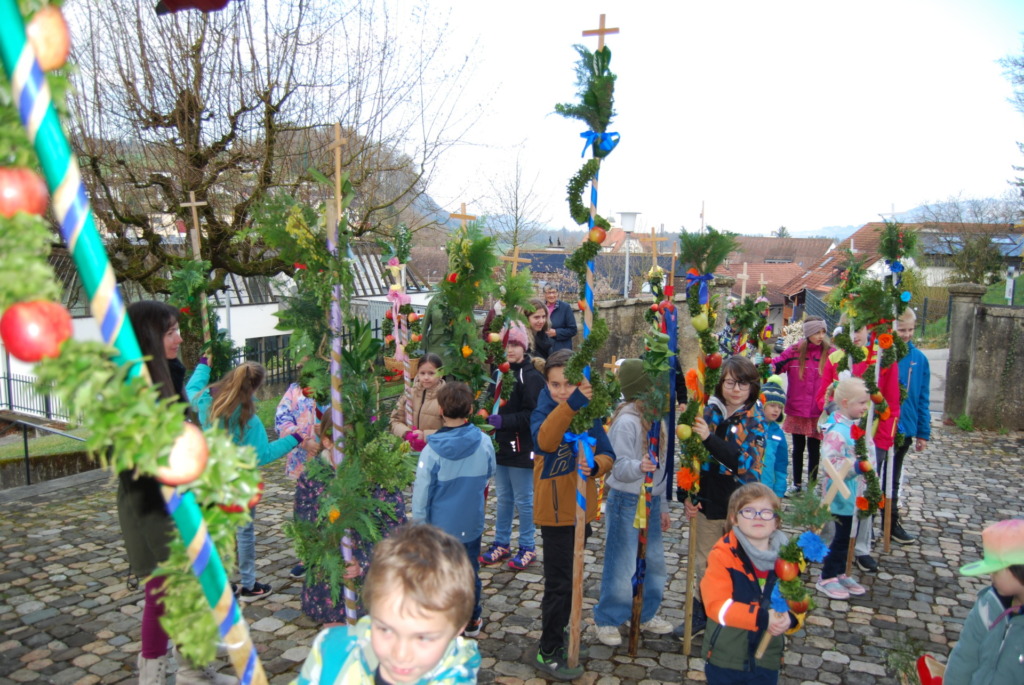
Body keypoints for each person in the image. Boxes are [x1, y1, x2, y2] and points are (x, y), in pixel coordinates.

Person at [122, 301, 236, 684]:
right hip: (152, 504)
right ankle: (152, 676)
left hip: (183, 497)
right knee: (163, 592)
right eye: (170, 332)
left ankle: (192, 670)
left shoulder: (169, 374)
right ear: (149, 338)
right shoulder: (134, 392)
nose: (179, 338)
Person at [292, 523, 482, 685]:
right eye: (385, 629)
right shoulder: (330, 652)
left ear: (458, 628)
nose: (400, 654)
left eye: (423, 638)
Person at [187, 360, 315, 601]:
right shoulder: (249, 420)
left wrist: (203, 366)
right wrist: (295, 438)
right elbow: (262, 455)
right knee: (244, 533)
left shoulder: (208, 404)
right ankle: (249, 585)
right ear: (255, 387)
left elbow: (191, 389)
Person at [530, 348, 616, 680]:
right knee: (560, 584)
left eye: (569, 384)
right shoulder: (544, 409)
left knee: (575, 578)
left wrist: (595, 466)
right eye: (555, 385)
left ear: (581, 382)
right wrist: (570, 405)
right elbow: (545, 441)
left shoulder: (589, 413)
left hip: (581, 511)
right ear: (547, 385)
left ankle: (564, 629)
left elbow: (608, 452)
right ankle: (548, 647)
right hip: (554, 514)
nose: (562, 391)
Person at [673, 355, 766, 640]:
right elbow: (690, 455)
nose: (736, 389)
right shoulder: (708, 411)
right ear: (720, 383)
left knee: (736, 562)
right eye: (730, 383)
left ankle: (734, 615)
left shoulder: (755, 421)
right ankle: (704, 612)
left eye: (742, 383)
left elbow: (744, 463)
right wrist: (687, 494)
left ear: (752, 386)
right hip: (708, 501)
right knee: (704, 562)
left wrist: (709, 439)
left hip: (739, 506)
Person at [592, 359, 674, 647]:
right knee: (622, 562)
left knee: (654, 561)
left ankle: (645, 611)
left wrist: (662, 504)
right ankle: (608, 617)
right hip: (627, 500)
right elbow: (617, 466)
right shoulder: (626, 422)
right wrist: (639, 466)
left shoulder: (656, 420)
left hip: (651, 501)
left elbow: (662, 468)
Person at [412, 382, 496, 638]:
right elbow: (490, 473)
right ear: (470, 409)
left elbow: (421, 493)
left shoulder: (431, 451)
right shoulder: (484, 442)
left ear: (440, 410)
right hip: (470, 523)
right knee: (469, 571)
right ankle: (471, 617)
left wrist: (419, 526)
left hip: (439, 528)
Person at [817, 323, 900, 574]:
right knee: (837, 509)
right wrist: (835, 411)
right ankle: (830, 552)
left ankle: (861, 548)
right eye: (851, 330)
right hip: (844, 442)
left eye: (860, 330)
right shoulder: (836, 358)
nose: (855, 335)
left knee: (866, 498)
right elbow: (823, 396)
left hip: (871, 436)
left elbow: (890, 400)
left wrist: (883, 436)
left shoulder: (879, 357)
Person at [701, 483, 798, 685]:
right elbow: (717, 606)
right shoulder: (723, 556)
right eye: (748, 511)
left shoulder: (787, 558)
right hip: (727, 657)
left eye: (766, 512)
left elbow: (797, 597)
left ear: (777, 521)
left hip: (767, 658)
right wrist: (761, 618)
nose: (758, 517)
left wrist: (791, 618)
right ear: (734, 519)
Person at [480, 324, 546, 571]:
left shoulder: (531, 377)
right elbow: (490, 399)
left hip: (521, 447)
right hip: (500, 447)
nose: (510, 349)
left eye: (515, 344)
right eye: (506, 344)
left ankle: (528, 546)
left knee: (524, 499)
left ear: (524, 347)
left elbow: (534, 414)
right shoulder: (499, 373)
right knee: (504, 497)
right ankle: (501, 542)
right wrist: (483, 414)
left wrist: (505, 421)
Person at [944, 518, 1024, 685]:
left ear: (1019, 570)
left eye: (996, 570)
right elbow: (964, 657)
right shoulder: (988, 605)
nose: (991, 575)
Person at [815, 377, 870, 600]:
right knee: (839, 537)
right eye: (861, 403)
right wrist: (856, 467)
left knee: (849, 536)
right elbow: (830, 462)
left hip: (855, 493)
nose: (865, 407)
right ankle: (827, 576)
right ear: (846, 403)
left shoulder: (854, 427)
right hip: (840, 494)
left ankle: (840, 572)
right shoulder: (837, 430)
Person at [276, 364, 327, 579]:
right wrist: (303, 440)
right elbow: (282, 419)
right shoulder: (294, 390)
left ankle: (331, 551)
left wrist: (329, 430)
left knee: (330, 504)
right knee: (304, 507)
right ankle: (306, 555)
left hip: (332, 458)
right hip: (303, 460)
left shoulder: (334, 386)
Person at [771, 316, 830, 494]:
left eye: (823, 332)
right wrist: (765, 364)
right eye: (817, 332)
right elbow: (777, 365)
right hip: (797, 408)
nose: (820, 336)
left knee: (814, 449)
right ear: (808, 333)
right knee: (797, 448)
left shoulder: (829, 353)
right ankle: (796, 483)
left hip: (817, 411)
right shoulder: (795, 351)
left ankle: (811, 486)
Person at [888, 309, 930, 545]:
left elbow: (923, 397)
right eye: (901, 330)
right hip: (882, 426)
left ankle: (892, 522)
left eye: (910, 330)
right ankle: (867, 525)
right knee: (875, 478)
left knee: (894, 479)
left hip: (905, 426)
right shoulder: (884, 354)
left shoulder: (919, 359)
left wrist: (923, 432)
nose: (906, 334)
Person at [390, 353, 445, 451]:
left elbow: (453, 430)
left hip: (436, 451)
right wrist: (406, 433)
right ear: (417, 373)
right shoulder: (409, 395)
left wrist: (425, 436)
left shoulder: (447, 398)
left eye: (431, 373)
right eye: (422, 373)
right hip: (409, 451)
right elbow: (395, 420)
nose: (426, 377)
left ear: (441, 373)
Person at [759, 376, 789, 499]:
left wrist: (779, 492)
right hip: (747, 486)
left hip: (767, 488)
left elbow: (781, 464)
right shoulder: (750, 427)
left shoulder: (778, 434)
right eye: (772, 405)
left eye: (780, 407)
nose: (776, 410)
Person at [542, 283, 578, 353]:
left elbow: (573, 330)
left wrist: (556, 332)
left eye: (554, 292)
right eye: (549, 293)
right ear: (544, 294)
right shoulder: (541, 308)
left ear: (557, 293)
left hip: (561, 349)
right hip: (544, 349)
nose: (551, 295)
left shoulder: (565, 307)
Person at [525, 297, 553, 362]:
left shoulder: (543, 336)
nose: (541, 321)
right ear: (526, 318)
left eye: (543, 317)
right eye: (536, 317)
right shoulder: (523, 342)